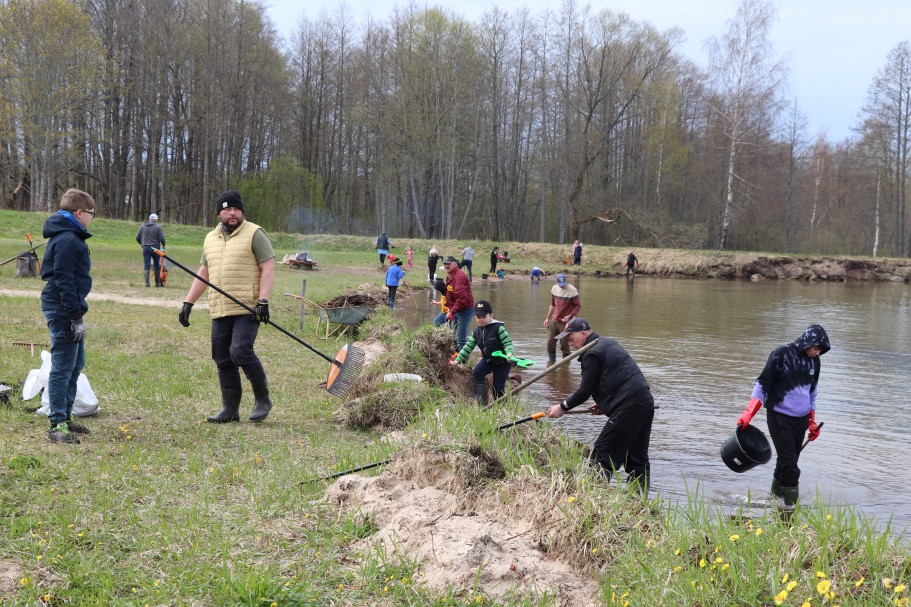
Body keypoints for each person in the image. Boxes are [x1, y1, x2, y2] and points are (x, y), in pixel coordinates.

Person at [178, 190, 276, 424]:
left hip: (247, 307)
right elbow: (205, 271)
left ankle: (263, 399)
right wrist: (188, 302)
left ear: (242, 211)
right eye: (227, 209)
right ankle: (230, 409)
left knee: (240, 351)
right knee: (222, 357)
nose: (232, 213)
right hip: (220, 307)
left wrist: (263, 300)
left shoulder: (255, 233)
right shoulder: (210, 238)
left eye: (236, 209)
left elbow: (269, 267)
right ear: (219, 213)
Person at [547, 319, 654, 489]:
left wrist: (562, 406)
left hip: (628, 405)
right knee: (637, 459)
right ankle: (641, 503)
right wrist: (606, 404)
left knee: (603, 453)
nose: (569, 342)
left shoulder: (592, 353)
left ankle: (592, 497)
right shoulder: (606, 344)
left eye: (571, 337)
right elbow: (615, 377)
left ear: (584, 333)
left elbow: (584, 391)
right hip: (643, 402)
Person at [736, 325, 831, 510]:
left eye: (821, 350)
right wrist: (748, 414)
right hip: (779, 417)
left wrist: (812, 422)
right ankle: (790, 513)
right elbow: (762, 384)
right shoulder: (781, 354)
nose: (817, 352)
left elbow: (812, 393)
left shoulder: (815, 362)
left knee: (786, 462)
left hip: (801, 419)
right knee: (791, 467)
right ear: (807, 341)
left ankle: (775, 502)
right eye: (816, 348)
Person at [40, 189, 97, 444]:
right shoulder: (67, 240)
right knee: (63, 367)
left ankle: (66, 414)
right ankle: (56, 424)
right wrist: (74, 315)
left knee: (76, 363)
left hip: (72, 307)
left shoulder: (71, 237)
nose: (92, 219)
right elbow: (64, 279)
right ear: (79, 213)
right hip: (64, 308)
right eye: (91, 214)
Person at [451, 300, 515, 404]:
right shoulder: (476, 332)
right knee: (477, 371)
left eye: (484, 317)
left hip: (503, 362)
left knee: (497, 387)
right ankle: (480, 403)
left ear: (491, 315)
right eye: (478, 317)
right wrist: (458, 360)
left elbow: (507, 343)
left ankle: (501, 406)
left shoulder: (499, 328)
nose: (481, 320)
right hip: (488, 360)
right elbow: (468, 347)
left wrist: (509, 353)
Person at [543, 273, 581, 363]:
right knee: (550, 343)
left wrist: (570, 316)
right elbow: (553, 304)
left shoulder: (572, 291)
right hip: (554, 320)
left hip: (566, 322)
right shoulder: (554, 288)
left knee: (564, 345)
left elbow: (578, 306)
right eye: (560, 285)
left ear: (566, 281)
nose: (562, 286)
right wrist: (547, 318)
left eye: (563, 284)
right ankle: (551, 363)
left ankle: (565, 365)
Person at [442, 255, 475, 351]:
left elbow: (462, 299)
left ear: (455, 264)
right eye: (445, 264)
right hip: (456, 309)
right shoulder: (450, 274)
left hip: (465, 309)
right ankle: (455, 356)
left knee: (460, 338)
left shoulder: (459, 277)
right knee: (453, 336)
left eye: (448, 264)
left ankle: (462, 362)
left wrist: (452, 312)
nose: (446, 266)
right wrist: (450, 309)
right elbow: (450, 293)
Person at [136, 213, 166, 287]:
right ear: (156, 220)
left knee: (147, 265)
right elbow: (162, 238)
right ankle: (157, 283)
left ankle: (147, 283)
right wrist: (163, 244)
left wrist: (142, 244)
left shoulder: (142, 227)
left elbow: (137, 238)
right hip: (156, 248)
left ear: (149, 219)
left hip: (145, 248)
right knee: (156, 265)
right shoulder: (158, 227)